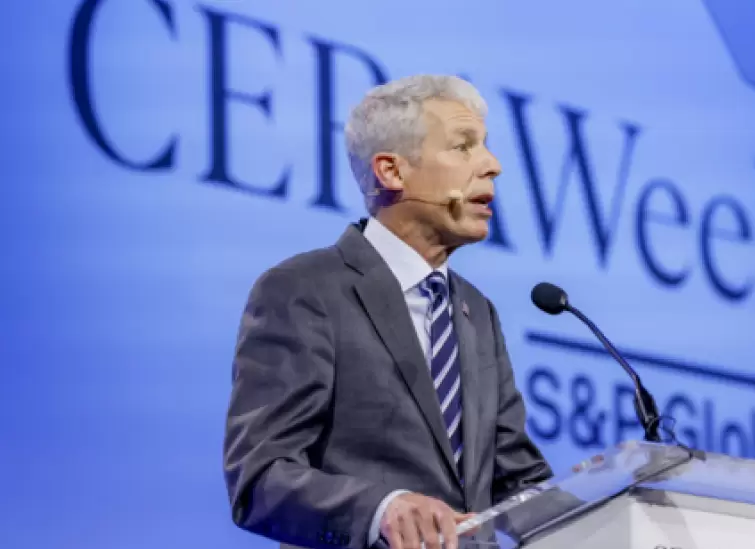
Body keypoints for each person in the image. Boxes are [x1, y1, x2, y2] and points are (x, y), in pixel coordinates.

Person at [223, 74, 554, 549]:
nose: (493, 165)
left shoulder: (476, 313)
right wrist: (381, 509)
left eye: (486, 146)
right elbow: (260, 477)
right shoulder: (306, 290)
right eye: (463, 147)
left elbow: (515, 480)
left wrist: (584, 502)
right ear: (391, 172)